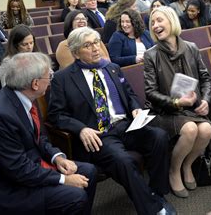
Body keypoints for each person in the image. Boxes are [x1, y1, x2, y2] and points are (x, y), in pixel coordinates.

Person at [48, 27, 175, 215]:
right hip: (99, 134)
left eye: (97, 42)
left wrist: (134, 107)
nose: (95, 48)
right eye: (88, 45)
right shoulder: (62, 79)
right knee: (123, 160)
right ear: (75, 52)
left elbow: (129, 93)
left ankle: (156, 191)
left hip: (126, 125)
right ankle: (152, 209)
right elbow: (56, 115)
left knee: (159, 136)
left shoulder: (112, 67)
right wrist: (81, 129)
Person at [0, 52, 97, 214]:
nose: (51, 79)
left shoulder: (22, 96)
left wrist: (56, 157)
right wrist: (63, 179)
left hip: (27, 164)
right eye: (48, 76)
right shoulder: (1, 116)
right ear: (35, 84)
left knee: (89, 172)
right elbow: (18, 170)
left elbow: (39, 138)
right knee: (75, 195)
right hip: (4, 186)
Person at [144, 6, 211, 198]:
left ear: (172, 21)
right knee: (190, 129)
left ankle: (187, 165)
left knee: (206, 130)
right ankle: (174, 170)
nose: (155, 25)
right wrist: (176, 102)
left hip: (190, 109)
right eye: (152, 23)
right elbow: (150, 92)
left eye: (160, 20)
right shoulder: (151, 55)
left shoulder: (191, 47)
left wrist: (206, 100)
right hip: (164, 111)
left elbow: (206, 79)